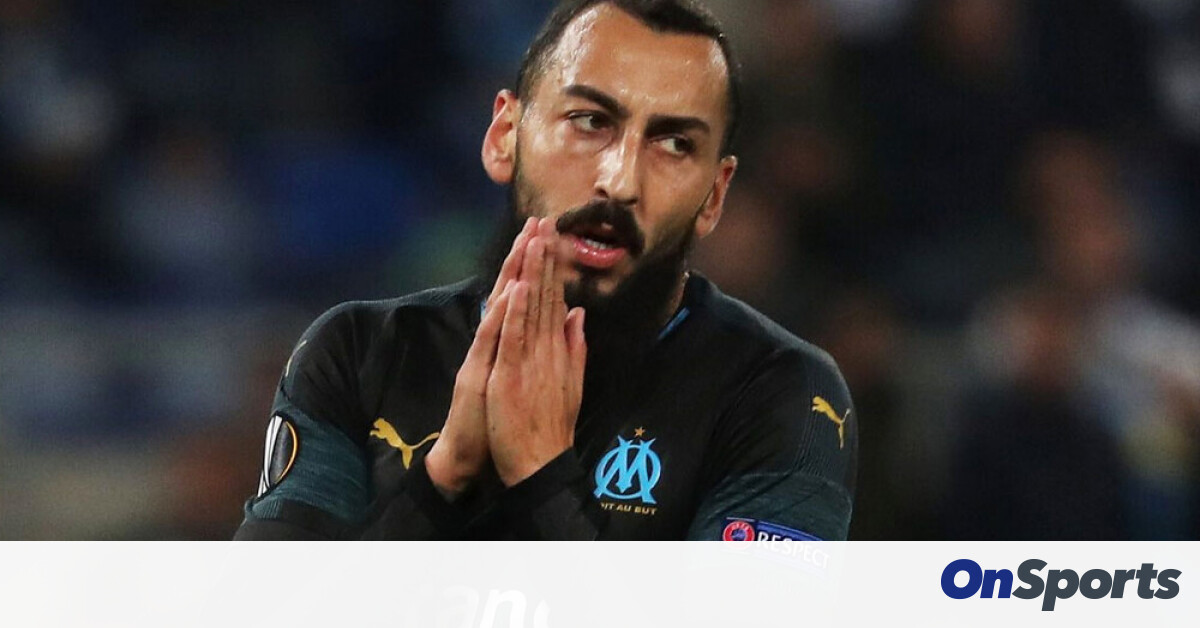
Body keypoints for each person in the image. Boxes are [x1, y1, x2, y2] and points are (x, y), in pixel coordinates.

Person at [234, 0, 857, 541]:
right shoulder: (359, 353)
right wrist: (444, 474)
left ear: (715, 196)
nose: (620, 180)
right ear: (504, 135)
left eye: (674, 144)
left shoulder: (779, 394)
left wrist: (542, 475)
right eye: (590, 122)